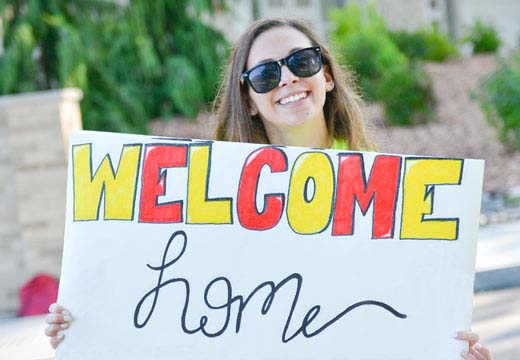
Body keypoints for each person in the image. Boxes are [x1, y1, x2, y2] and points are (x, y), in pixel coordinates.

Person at [45, 17, 492, 359]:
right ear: (250, 100)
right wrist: (91, 322)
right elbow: (169, 302)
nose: (288, 80)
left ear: (327, 75)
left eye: (302, 62)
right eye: (264, 75)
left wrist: (449, 343)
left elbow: (408, 310)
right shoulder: (210, 193)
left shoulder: (389, 192)